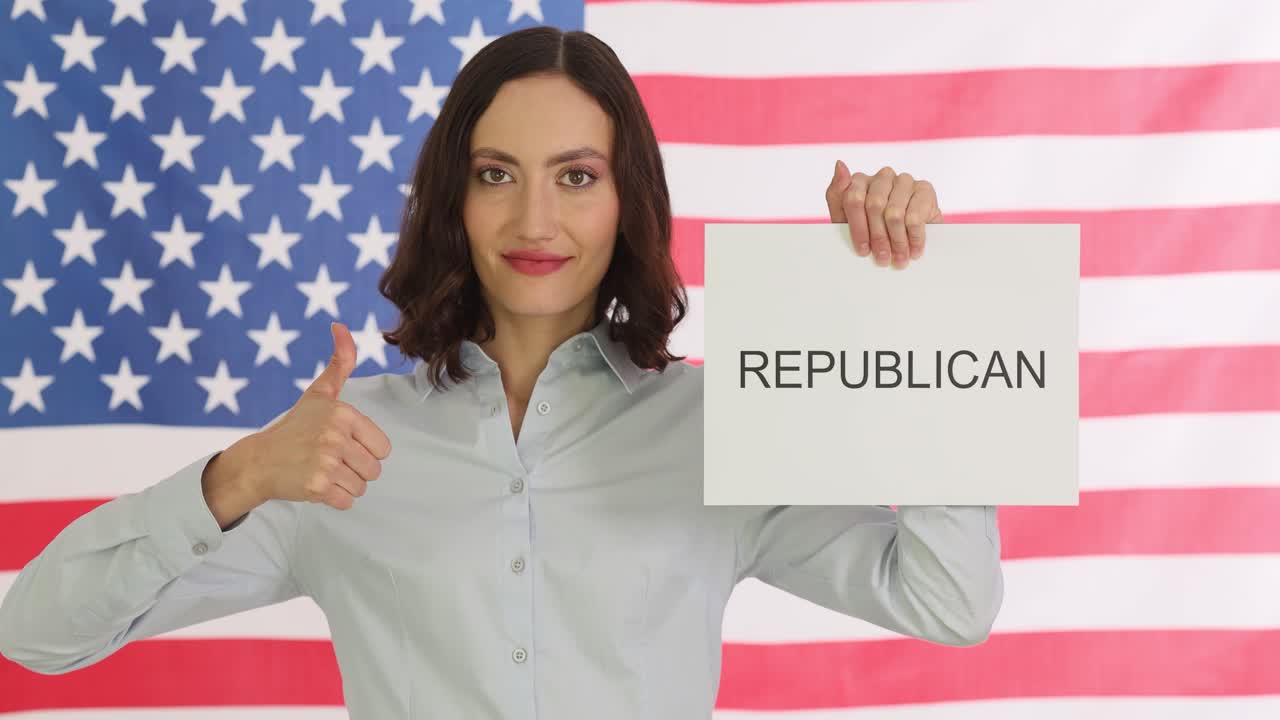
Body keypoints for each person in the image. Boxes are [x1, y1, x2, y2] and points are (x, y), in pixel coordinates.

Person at [0, 25, 1002, 719]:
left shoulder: (716, 426)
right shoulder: (343, 449)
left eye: (576, 176)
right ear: (454, 198)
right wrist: (239, 476)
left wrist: (914, 301)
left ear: (626, 199)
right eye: (496, 176)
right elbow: (37, 633)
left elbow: (946, 602)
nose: (534, 221)